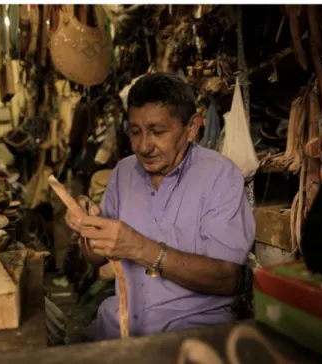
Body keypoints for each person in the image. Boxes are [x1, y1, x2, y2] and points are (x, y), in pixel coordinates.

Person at [65, 73, 255, 341]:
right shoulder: (123, 173)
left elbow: (227, 279)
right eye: (135, 132)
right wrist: (86, 228)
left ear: (191, 128)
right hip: (119, 327)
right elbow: (95, 257)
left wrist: (139, 247)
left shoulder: (220, 176)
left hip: (192, 334)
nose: (143, 146)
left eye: (158, 131)